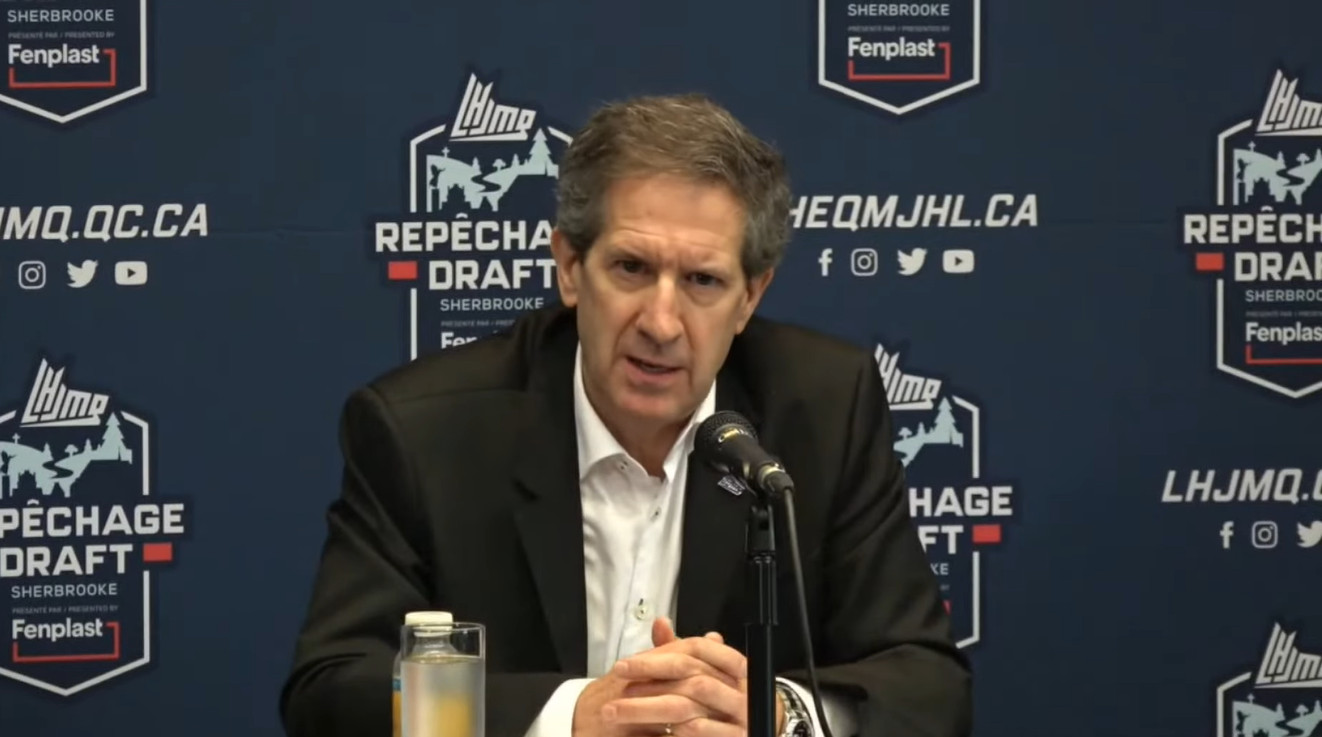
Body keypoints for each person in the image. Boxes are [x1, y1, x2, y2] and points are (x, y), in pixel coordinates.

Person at [279, 93, 971, 737]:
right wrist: (571, 716)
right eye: (632, 268)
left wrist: (777, 714)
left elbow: (929, 684)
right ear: (570, 267)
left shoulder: (824, 410)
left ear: (750, 297)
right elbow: (333, 689)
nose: (661, 323)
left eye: (702, 280)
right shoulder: (425, 431)